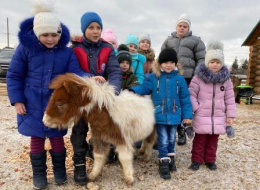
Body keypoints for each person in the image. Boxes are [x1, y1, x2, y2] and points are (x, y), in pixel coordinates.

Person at [6, 0, 88, 189]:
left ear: (59, 34)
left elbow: (75, 73)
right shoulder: (25, 49)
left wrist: (91, 79)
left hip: (56, 104)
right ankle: (39, 174)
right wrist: (17, 100)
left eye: (54, 35)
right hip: (32, 101)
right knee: (36, 138)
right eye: (45, 35)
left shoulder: (66, 53)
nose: (50, 39)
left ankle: (59, 171)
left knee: (57, 137)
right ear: (37, 34)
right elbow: (14, 74)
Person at [70, 11, 122, 185]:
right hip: (81, 98)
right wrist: (89, 78)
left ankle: (97, 154)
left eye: (98, 27)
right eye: (91, 27)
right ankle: (79, 164)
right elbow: (72, 70)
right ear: (84, 29)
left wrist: (112, 92)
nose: (95, 31)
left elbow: (114, 71)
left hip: (100, 100)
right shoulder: (75, 48)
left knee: (100, 130)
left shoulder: (108, 48)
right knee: (79, 130)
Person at [130, 48, 192, 179]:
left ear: (175, 63)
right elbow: (144, 88)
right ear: (160, 63)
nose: (168, 65)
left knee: (172, 139)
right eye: (165, 62)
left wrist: (187, 115)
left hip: (175, 114)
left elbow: (185, 98)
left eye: (171, 62)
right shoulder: (154, 78)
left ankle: (170, 157)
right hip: (160, 114)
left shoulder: (179, 79)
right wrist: (133, 90)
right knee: (163, 139)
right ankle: (163, 161)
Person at [188, 41, 236, 171]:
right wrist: (196, 107)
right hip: (202, 114)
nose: (215, 65)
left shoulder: (226, 80)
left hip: (218, 116)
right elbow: (191, 93)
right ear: (207, 62)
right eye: (212, 62)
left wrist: (230, 115)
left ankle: (210, 160)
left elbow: (230, 98)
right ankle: (196, 160)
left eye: (218, 62)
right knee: (200, 139)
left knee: (213, 141)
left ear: (222, 63)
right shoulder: (198, 78)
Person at [161, 13, 206, 146]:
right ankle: (166, 130)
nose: (182, 28)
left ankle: (181, 130)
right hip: (170, 76)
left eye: (185, 26)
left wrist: (197, 75)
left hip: (187, 77)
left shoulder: (196, 41)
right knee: (168, 102)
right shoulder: (168, 40)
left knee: (182, 103)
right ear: (176, 26)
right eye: (180, 25)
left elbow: (202, 59)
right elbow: (162, 57)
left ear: (188, 28)